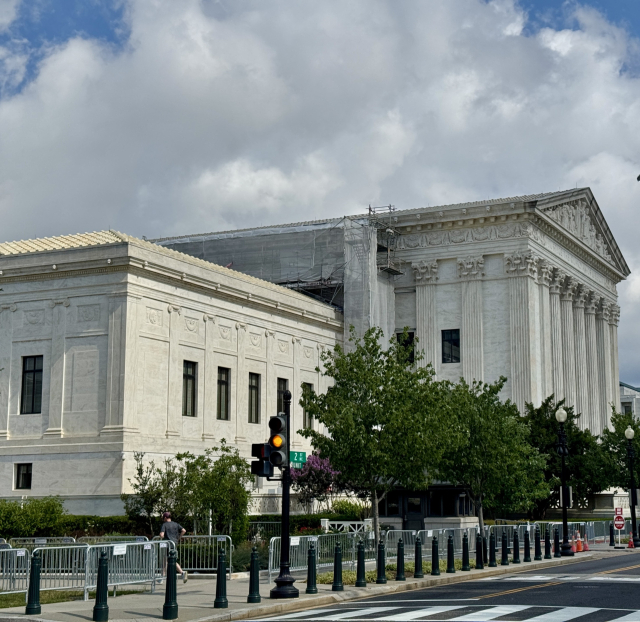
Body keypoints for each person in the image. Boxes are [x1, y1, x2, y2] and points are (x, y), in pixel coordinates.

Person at [160, 511, 188, 583]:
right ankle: (182, 573)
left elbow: (162, 535)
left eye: (163, 518)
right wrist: (179, 537)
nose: (163, 519)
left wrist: (161, 536)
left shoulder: (165, 525)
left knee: (165, 560)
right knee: (172, 560)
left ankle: (162, 577)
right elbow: (184, 530)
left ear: (165, 518)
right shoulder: (176, 524)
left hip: (168, 544)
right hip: (174, 543)